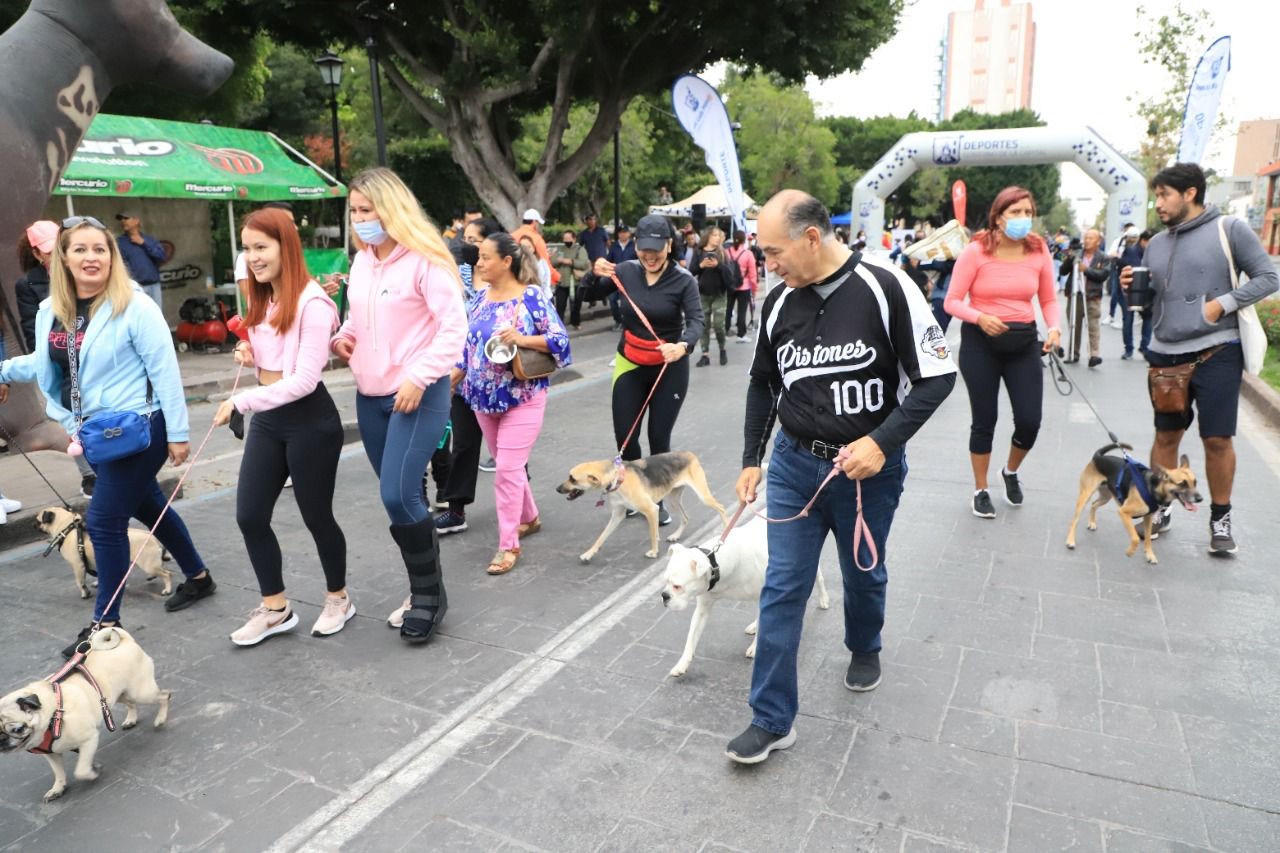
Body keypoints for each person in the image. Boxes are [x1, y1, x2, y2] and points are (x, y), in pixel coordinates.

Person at [727, 190, 956, 764]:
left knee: (863, 570)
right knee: (783, 586)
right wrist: (752, 457)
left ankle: (864, 643)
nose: (769, 264)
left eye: (774, 251)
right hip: (794, 466)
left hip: (866, 474)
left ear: (811, 237)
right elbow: (762, 382)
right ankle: (772, 719)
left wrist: (881, 444)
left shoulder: (887, 286)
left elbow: (936, 377)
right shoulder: (778, 304)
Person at [0, 216, 216, 657]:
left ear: (112, 257)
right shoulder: (50, 312)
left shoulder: (134, 306)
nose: (91, 257)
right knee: (147, 503)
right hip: (92, 434)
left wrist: (177, 433)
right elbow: (46, 364)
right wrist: (2, 370)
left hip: (139, 428)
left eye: (100, 249)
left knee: (103, 521)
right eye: (80, 249)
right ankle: (198, 577)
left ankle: (105, 625)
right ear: (62, 257)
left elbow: (166, 373)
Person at [330, 168, 468, 644]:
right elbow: (358, 318)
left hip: (417, 393)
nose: (360, 219)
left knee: (396, 495)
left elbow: (454, 329)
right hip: (369, 396)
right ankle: (424, 589)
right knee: (405, 497)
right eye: (354, 210)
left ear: (393, 210)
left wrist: (417, 376)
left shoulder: (427, 259)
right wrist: (344, 338)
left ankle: (429, 597)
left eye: (368, 210)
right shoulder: (363, 262)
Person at [1118, 162, 1278, 555]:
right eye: (1156, 196)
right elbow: (1155, 299)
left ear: (1190, 193)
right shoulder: (1155, 244)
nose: (1158, 203)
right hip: (1167, 355)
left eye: (1164, 195)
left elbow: (1269, 277)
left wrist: (1221, 304)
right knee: (1166, 435)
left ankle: (1220, 518)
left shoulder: (1230, 230)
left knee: (1217, 439)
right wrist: (1131, 290)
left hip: (1217, 350)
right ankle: (1161, 506)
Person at [211, 209, 349, 645]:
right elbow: (269, 349)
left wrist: (240, 400)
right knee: (250, 515)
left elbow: (305, 380)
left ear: (285, 247)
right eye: (247, 248)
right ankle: (276, 608)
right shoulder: (263, 297)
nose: (252, 257)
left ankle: (338, 598)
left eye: (261, 247)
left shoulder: (312, 302)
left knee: (316, 516)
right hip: (270, 419)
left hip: (310, 420)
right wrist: (249, 352)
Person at [453, 233, 571, 575]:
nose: (479, 263)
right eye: (479, 257)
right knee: (511, 467)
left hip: (523, 396)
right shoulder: (478, 299)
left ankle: (508, 545)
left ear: (507, 261)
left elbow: (561, 342)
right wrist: (450, 383)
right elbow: (466, 350)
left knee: (505, 470)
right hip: (480, 398)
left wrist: (523, 338)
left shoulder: (531, 297)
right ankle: (529, 517)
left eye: (486, 257)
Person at [944, 186, 1061, 519]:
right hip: (981, 343)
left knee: (1029, 420)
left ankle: (1010, 471)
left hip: (1023, 341)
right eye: (1016, 213)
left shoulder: (1038, 250)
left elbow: (1049, 300)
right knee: (985, 420)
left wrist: (1054, 328)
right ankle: (981, 489)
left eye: (1028, 212)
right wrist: (980, 317)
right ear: (998, 218)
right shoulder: (976, 251)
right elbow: (952, 301)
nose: (1024, 219)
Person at [583, 214, 703, 524]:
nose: (649, 256)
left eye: (656, 250)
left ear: (669, 245)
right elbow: (591, 293)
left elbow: (696, 321)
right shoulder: (625, 271)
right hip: (630, 362)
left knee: (658, 438)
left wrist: (683, 346)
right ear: (636, 245)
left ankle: (656, 500)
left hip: (668, 366)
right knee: (626, 436)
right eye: (643, 249)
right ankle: (635, 492)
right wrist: (593, 273)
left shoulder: (683, 279)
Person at [16, 221, 98, 497]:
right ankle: (89, 474)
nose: (58, 255)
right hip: (57, 357)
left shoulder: (81, 271)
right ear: (38, 254)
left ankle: (107, 465)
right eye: (49, 251)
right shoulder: (28, 284)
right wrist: (45, 361)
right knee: (70, 418)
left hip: (88, 355)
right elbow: (32, 328)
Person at [435, 217, 503, 535]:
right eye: (468, 238)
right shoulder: (457, 275)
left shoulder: (503, 280)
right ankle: (456, 510)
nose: (469, 245)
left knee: (506, 447)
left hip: (497, 379)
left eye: (477, 240)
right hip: (461, 375)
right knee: (463, 444)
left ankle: (520, 506)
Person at [690, 227, 736, 366]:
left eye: (718, 235)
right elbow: (691, 271)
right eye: (714, 235)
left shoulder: (722, 252)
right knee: (704, 325)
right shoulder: (698, 252)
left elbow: (729, 274)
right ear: (707, 237)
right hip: (703, 294)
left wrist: (718, 265)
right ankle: (705, 354)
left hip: (719, 294)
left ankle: (722, 349)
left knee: (718, 325)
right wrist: (701, 265)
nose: (717, 238)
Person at [1069, 229, 1111, 367]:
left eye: (1091, 238)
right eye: (1086, 237)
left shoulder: (1103, 257)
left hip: (1092, 297)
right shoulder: (1077, 254)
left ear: (1098, 242)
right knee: (1074, 325)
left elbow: (1103, 275)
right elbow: (1063, 271)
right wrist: (1070, 259)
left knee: (1093, 327)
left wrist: (1085, 269)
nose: (1087, 240)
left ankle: (1094, 355)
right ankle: (1073, 353)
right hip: (1076, 296)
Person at [114, 212, 167, 310]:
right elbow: (117, 267)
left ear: (136, 220)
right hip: (134, 288)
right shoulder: (119, 242)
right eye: (121, 219)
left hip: (154, 286)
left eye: (126, 218)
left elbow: (161, 257)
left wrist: (143, 243)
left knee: (156, 317)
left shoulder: (149, 239)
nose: (122, 221)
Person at [1119, 228, 1151, 359]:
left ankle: (1145, 347)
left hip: (1148, 291)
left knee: (1148, 319)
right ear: (1143, 241)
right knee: (1128, 320)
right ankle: (1128, 348)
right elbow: (1129, 268)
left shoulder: (1155, 251)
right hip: (1131, 291)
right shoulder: (1131, 251)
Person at [551, 228, 590, 329]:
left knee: (576, 306)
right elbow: (552, 262)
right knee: (560, 306)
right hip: (561, 282)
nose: (566, 241)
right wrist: (559, 260)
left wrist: (571, 262)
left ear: (574, 239)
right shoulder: (560, 249)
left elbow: (584, 264)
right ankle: (559, 325)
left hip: (575, 282)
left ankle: (576, 323)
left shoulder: (580, 250)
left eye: (568, 239)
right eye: (565, 239)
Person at [723, 230, 757, 342]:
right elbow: (753, 274)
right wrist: (754, 290)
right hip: (744, 286)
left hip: (729, 286)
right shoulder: (748, 254)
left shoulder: (726, 252)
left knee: (728, 309)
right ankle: (741, 334)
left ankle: (726, 331)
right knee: (742, 311)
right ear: (744, 240)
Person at [605, 224, 638, 330]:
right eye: (620, 232)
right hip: (616, 277)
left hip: (631, 277)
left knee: (629, 301)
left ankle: (629, 322)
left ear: (629, 233)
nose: (622, 234)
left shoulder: (634, 245)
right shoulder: (614, 247)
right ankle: (618, 320)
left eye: (625, 232)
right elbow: (609, 260)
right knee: (612, 299)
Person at [1107, 221, 1137, 327]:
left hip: (1134, 272)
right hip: (1118, 271)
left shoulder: (1137, 245)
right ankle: (1113, 315)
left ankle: (1129, 316)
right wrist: (1117, 256)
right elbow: (1110, 254)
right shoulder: (1119, 241)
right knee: (1116, 294)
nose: (1132, 238)